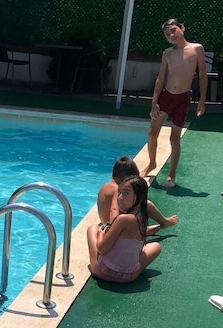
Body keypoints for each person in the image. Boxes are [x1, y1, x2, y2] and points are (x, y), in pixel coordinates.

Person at [143, 19, 207, 189]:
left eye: (173, 30)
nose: (171, 35)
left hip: (182, 99)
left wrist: (202, 101)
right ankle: (151, 163)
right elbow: (161, 78)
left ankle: (171, 175)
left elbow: (202, 75)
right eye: (167, 34)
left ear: (182, 28)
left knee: (174, 138)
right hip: (166, 96)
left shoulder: (196, 49)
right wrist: (154, 101)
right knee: (152, 132)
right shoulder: (168, 53)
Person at [86, 176, 162, 283]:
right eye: (120, 192)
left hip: (103, 272)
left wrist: (101, 234)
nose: (120, 197)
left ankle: (95, 267)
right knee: (156, 246)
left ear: (139, 197)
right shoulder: (143, 216)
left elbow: (102, 249)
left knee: (92, 228)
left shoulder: (123, 219)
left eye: (126, 193)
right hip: (129, 276)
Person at [96, 155, 178, 236]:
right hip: (115, 228)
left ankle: (140, 230)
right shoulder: (118, 190)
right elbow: (114, 210)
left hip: (104, 222)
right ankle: (162, 222)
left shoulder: (105, 186)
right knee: (146, 204)